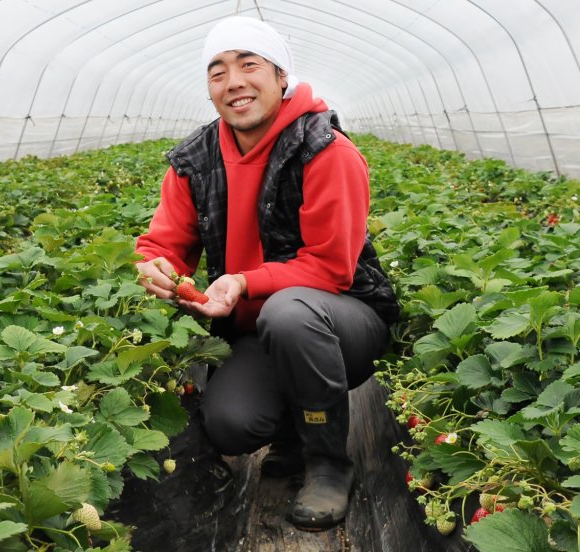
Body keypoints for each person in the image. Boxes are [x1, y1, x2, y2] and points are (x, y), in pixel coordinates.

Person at [134, 16, 400, 531]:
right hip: (258, 328)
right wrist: (157, 269)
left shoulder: (324, 149)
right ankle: (293, 429)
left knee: (289, 313)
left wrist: (242, 281)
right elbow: (163, 242)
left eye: (248, 64)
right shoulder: (195, 159)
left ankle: (327, 461)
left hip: (342, 319)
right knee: (232, 425)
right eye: (217, 71)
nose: (233, 81)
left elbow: (330, 267)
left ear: (281, 76)